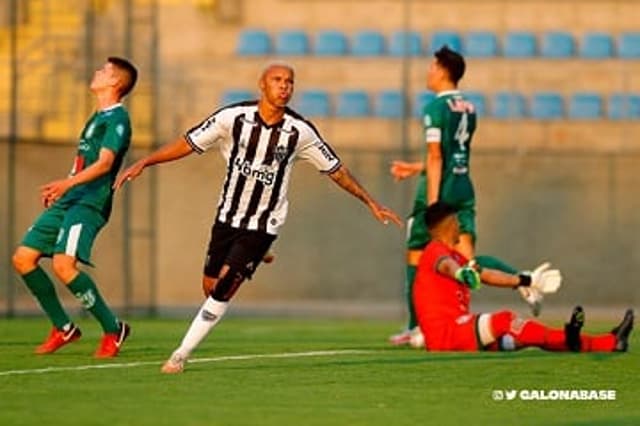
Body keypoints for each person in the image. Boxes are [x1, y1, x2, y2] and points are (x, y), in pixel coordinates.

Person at [114, 62, 403, 374]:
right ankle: (257, 255)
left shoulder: (299, 131)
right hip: (228, 216)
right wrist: (146, 161)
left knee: (224, 287)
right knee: (210, 287)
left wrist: (370, 201)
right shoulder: (232, 118)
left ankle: (180, 355)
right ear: (262, 85)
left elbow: (336, 170)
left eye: (289, 81)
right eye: (277, 80)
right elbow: (188, 142)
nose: (284, 86)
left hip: (264, 223)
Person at [389, 46, 539, 346]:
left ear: (443, 71)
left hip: (440, 192)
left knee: (417, 259)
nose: (428, 72)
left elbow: (435, 157)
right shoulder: (468, 108)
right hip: (463, 187)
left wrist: (432, 205)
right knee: (466, 260)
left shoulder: (434, 108)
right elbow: (454, 154)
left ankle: (415, 327)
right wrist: (415, 168)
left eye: (432, 67)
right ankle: (522, 279)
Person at [11, 57, 138, 357]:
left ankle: (113, 328)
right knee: (23, 259)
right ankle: (63, 327)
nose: (97, 71)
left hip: (89, 202)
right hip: (70, 197)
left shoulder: (118, 119)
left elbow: (105, 164)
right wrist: (64, 187)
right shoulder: (96, 117)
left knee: (63, 265)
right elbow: (84, 160)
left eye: (104, 71)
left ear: (115, 83)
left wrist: (66, 185)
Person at [414, 201, 634, 353]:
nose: (460, 227)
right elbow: (447, 267)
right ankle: (571, 336)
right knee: (505, 321)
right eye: (457, 222)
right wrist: (460, 273)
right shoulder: (436, 251)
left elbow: (487, 275)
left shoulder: (455, 256)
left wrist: (526, 280)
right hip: (446, 335)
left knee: (520, 338)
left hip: (456, 333)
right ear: (450, 223)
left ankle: (611, 342)